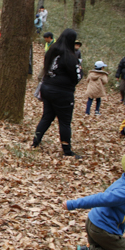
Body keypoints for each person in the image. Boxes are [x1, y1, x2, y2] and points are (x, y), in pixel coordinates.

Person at [32, 28, 82, 157]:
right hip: (62, 92)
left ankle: (35, 142)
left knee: (47, 117)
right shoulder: (70, 56)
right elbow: (77, 77)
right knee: (64, 121)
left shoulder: (52, 51)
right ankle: (67, 151)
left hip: (47, 88)